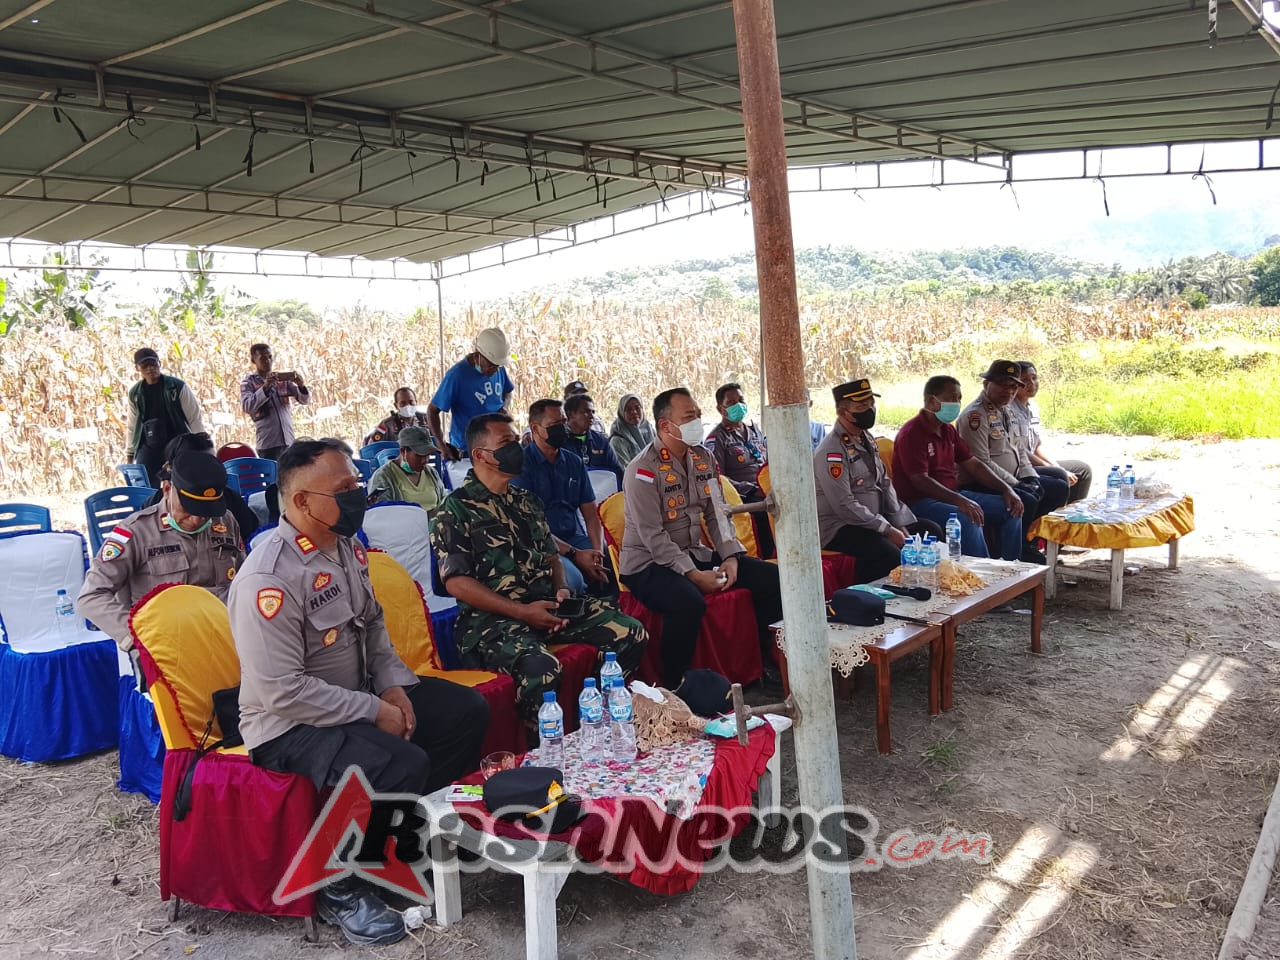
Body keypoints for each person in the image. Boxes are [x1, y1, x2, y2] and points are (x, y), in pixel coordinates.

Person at [230, 438, 489, 947]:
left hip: (356, 695)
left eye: (356, 483)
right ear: (302, 501)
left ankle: (402, 842)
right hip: (289, 725)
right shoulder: (269, 577)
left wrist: (393, 688)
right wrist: (371, 710)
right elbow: (282, 691)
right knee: (397, 763)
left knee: (466, 711)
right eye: (344, 488)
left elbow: (372, 627)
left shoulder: (346, 546)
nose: (358, 494)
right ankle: (341, 888)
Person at [431, 414, 646, 722]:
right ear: (480, 455)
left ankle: (597, 718)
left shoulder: (526, 502)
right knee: (543, 671)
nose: (517, 449)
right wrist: (522, 613)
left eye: (517, 441)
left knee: (630, 632)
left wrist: (560, 589)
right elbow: (456, 583)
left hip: (547, 608)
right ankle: (542, 751)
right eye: (506, 443)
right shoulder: (454, 509)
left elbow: (551, 557)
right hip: (493, 623)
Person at [618, 388, 784, 690]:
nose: (697, 421)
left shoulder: (703, 457)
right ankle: (674, 685)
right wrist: (694, 575)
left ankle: (765, 658)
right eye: (689, 417)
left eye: (698, 414)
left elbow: (717, 514)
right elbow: (652, 535)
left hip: (693, 551)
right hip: (646, 564)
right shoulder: (642, 470)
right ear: (666, 426)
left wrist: (732, 557)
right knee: (687, 602)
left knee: (771, 579)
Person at [78, 451, 242, 657]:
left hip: (224, 640)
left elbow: (242, 582)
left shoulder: (225, 522)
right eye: (189, 508)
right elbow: (91, 596)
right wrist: (138, 637)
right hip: (165, 651)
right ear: (166, 489)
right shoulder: (135, 532)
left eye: (206, 510)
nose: (197, 519)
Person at [814, 379, 942, 583]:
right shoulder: (832, 451)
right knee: (889, 554)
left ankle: (928, 592)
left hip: (873, 519)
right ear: (842, 412)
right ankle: (880, 604)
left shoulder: (865, 438)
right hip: (840, 527)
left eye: (871, 403)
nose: (870, 410)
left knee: (930, 532)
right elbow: (844, 504)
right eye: (861, 406)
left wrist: (898, 523)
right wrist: (886, 529)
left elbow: (884, 483)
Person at [891, 375, 1026, 562]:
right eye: (952, 398)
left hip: (951, 495)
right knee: (967, 517)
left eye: (959, 398)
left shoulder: (947, 430)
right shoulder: (912, 433)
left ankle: (1011, 570)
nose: (957, 403)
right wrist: (960, 501)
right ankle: (985, 578)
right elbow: (920, 480)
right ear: (932, 401)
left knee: (1011, 508)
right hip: (919, 502)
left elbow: (974, 464)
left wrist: (1006, 489)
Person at [958, 360, 1069, 561]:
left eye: (1013, 386)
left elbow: (1019, 449)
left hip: (1013, 475)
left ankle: (1031, 539)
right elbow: (981, 463)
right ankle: (1017, 551)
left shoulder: (1007, 410)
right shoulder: (975, 416)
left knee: (1057, 486)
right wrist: (1016, 484)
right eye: (1002, 385)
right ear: (986, 384)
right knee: (1026, 497)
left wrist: (1031, 477)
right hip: (984, 481)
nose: (1008, 391)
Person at [511, 399, 610, 597]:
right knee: (574, 581)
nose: (562, 429)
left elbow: (591, 516)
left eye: (563, 422)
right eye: (555, 425)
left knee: (614, 564)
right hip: (541, 546)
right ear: (535, 428)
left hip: (574, 537)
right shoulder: (521, 466)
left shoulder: (573, 462)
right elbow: (533, 528)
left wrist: (597, 552)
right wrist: (576, 554)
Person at [144, 431, 259, 540]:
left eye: (211, 464)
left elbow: (250, 539)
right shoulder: (151, 510)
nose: (196, 520)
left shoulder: (229, 502)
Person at [427, 327, 514, 461]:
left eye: (498, 366)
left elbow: (507, 391)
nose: (495, 370)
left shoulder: (498, 368)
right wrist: (442, 446)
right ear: (478, 355)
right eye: (491, 365)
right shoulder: (456, 376)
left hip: (496, 446)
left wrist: (505, 408)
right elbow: (432, 411)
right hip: (468, 450)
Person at [1012, 361, 1093, 504]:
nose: (1031, 383)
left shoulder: (1033, 407)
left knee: (1082, 470)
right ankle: (1052, 522)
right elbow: (1021, 452)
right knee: (1060, 476)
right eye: (1024, 380)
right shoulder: (1009, 410)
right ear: (1014, 384)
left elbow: (1037, 445)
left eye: (1034, 378)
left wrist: (1055, 465)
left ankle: (1072, 517)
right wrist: (1052, 468)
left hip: (1034, 461)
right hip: (1021, 465)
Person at [125, 347, 205, 488]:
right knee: (146, 485)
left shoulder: (177, 387)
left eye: (153, 364)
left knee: (183, 482)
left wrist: (202, 446)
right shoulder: (135, 394)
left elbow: (194, 418)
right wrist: (130, 455)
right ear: (137, 368)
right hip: (149, 444)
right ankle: (153, 508)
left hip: (176, 441)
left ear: (159, 364)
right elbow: (132, 425)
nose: (150, 369)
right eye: (145, 365)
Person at [240, 343, 310, 462]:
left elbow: (305, 400)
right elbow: (247, 406)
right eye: (263, 358)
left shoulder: (281, 380)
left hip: (288, 439)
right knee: (273, 479)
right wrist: (265, 387)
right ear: (253, 360)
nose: (268, 361)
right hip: (268, 443)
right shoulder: (249, 382)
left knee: (289, 479)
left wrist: (301, 385)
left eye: (270, 357)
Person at [707, 383, 767, 501]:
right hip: (744, 497)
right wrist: (752, 490)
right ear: (720, 409)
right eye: (732, 403)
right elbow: (719, 478)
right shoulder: (717, 438)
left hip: (766, 488)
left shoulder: (754, 431)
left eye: (741, 400)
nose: (738, 405)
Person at [366, 426, 447, 513]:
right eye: (419, 455)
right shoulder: (383, 477)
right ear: (403, 451)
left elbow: (444, 503)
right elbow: (384, 516)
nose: (425, 460)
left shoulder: (431, 473)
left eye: (428, 455)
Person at [563, 393, 624, 485]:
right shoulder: (559, 442)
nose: (592, 416)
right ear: (570, 415)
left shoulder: (601, 441)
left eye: (593, 412)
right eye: (586, 412)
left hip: (603, 494)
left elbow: (616, 471)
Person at [363, 387, 431, 447]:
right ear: (396, 406)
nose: (408, 406)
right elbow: (372, 446)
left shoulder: (426, 419)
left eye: (411, 402)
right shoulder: (387, 425)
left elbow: (437, 440)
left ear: (416, 402)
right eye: (403, 403)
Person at [609, 393, 655, 466]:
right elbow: (625, 470)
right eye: (628, 409)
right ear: (622, 414)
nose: (634, 412)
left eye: (637, 407)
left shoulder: (651, 431)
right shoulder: (617, 441)